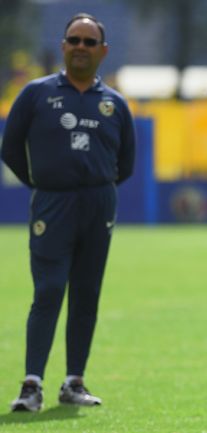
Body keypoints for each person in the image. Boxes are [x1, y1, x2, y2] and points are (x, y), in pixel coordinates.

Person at [1, 13, 135, 412]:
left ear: (103, 51)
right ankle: (31, 384)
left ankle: (74, 381)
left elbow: (125, 164)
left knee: (87, 293)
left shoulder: (115, 104)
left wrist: (96, 188)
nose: (80, 47)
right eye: (73, 40)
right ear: (63, 46)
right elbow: (9, 149)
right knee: (49, 289)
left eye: (89, 42)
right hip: (52, 203)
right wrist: (42, 183)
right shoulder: (36, 94)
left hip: (98, 204)